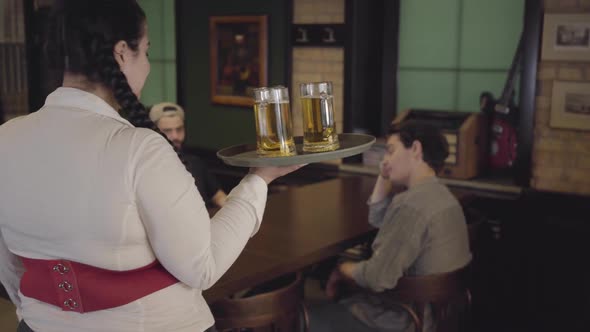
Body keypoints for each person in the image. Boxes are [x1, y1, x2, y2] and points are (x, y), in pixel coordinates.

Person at [0, 1, 302, 331]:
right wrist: (258, 179)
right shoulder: (139, 148)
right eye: (144, 51)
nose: (147, 64)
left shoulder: (6, 139)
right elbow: (202, 266)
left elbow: (10, 268)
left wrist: (42, 312)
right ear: (120, 53)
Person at [309, 121, 472, 332]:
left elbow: (378, 277)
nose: (384, 160)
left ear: (415, 149)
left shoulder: (410, 205)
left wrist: (341, 270)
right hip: (441, 317)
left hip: (407, 320)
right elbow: (383, 223)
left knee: (305, 314)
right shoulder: (443, 197)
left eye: (390, 151)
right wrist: (384, 176)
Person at [149, 102, 228, 208]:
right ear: (154, 132)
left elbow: (219, 197)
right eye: (167, 131)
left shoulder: (195, 162)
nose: (175, 136)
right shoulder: (148, 169)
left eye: (179, 129)